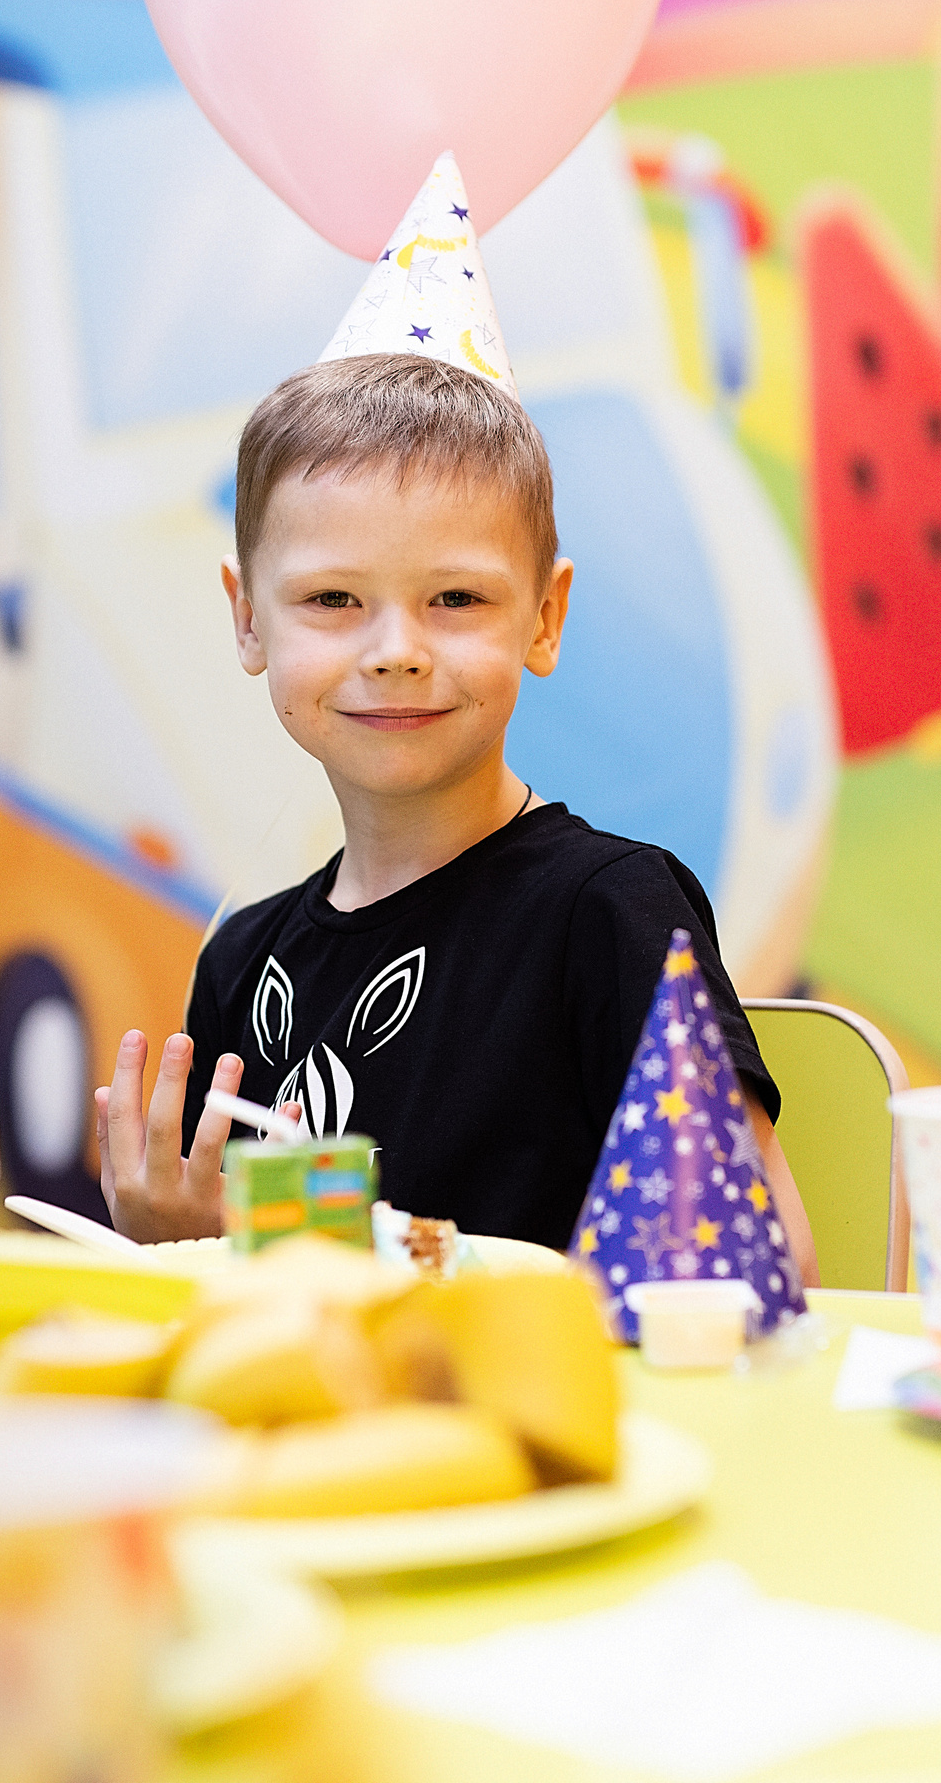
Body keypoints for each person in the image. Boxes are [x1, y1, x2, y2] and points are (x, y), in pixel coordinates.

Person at [92, 153, 816, 1271]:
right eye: (333, 600)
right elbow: (272, 1312)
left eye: (456, 599)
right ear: (248, 621)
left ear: (544, 616)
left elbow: (760, 1265)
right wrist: (180, 1250)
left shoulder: (608, 914)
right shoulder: (241, 960)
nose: (396, 650)